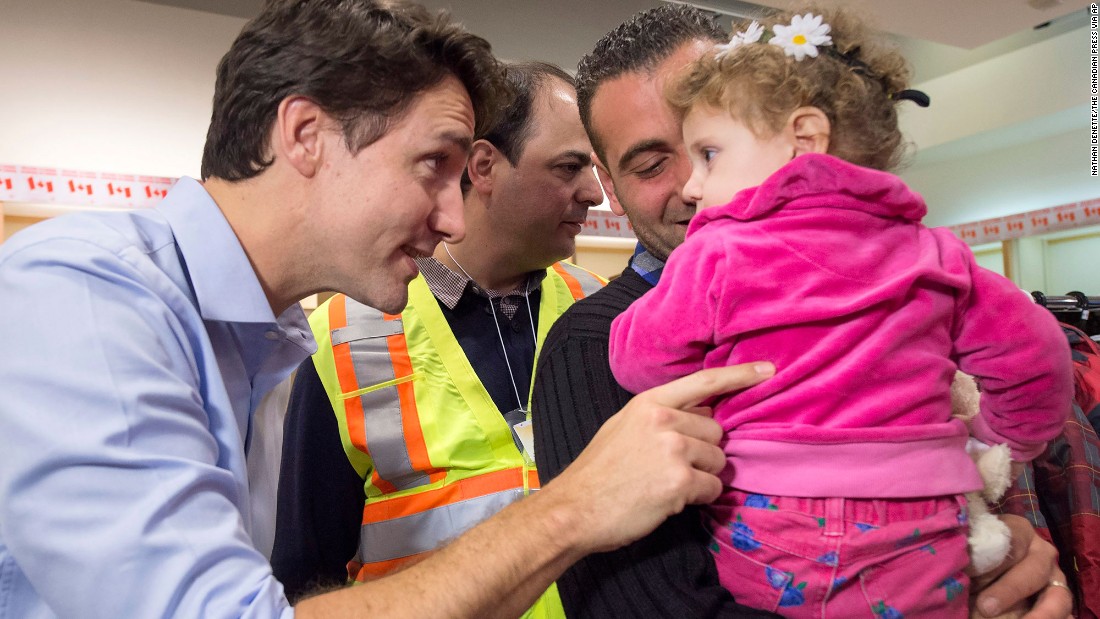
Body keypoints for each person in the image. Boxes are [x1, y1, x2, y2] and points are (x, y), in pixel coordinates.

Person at [0, 2, 773, 617]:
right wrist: (574, 506)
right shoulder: (85, 294)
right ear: (306, 135)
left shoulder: (257, 340)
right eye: (434, 164)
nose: (455, 219)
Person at [531, 4, 1076, 618]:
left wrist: (1007, 572)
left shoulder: (926, 278)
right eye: (655, 162)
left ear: (801, 136)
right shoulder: (586, 345)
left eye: (711, 148)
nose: (692, 184)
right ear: (608, 178)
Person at [271, 61, 604, 617]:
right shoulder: (344, 340)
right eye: (569, 167)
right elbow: (305, 576)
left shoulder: (601, 313)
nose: (595, 194)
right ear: (485, 166)